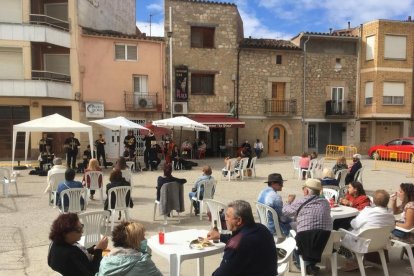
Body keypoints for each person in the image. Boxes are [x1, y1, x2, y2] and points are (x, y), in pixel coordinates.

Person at [207, 200, 277, 276]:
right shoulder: (262, 229)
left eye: (228, 216)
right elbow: (244, 239)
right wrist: (220, 236)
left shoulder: (236, 245)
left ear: (239, 220)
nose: (225, 219)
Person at [282, 179, 332, 275]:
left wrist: (288, 202)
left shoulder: (301, 200)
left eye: (303, 189)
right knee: (309, 229)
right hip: (323, 240)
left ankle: (303, 265)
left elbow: (286, 212)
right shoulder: (325, 202)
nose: (303, 191)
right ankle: (311, 265)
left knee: (291, 232)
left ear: (307, 191)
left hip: (306, 240)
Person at [340, 190, 395, 271]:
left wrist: (352, 221)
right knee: (360, 231)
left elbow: (355, 224)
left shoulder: (368, 211)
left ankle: (352, 260)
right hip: (380, 243)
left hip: (363, 243)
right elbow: (392, 228)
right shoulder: (390, 215)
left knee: (341, 232)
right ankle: (356, 261)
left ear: (374, 201)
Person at [96, 221, 162, 276]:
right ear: (135, 242)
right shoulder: (143, 262)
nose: (145, 240)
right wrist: (146, 254)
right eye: (142, 238)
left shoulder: (105, 260)